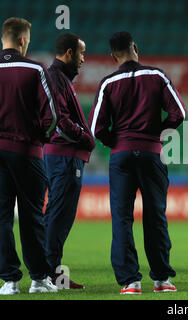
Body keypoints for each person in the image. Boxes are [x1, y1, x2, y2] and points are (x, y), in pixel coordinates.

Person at [89, 31, 185, 294]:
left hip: (121, 157)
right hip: (151, 154)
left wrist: (116, 142)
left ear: (113, 56)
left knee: (122, 218)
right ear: (135, 48)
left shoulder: (108, 82)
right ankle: (162, 279)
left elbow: (96, 127)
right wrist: (157, 133)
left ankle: (130, 282)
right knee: (155, 216)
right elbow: (179, 112)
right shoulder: (157, 75)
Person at [0, 17, 59, 295]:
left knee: (1, 218)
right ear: (23, 40)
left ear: (4, 38)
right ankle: (39, 279)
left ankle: (9, 281)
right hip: (27, 153)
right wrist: (40, 138)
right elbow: (52, 116)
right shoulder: (36, 68)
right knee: (32, 216)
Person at [43, 33, 95, 290]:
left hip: (62, 155)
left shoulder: (60, 78)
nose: (84, 59)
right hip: (64, 155)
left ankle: (49, 272)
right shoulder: (56, 78)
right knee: (59, 215)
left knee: (57, 214)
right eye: (82, 53)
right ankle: (49, 274)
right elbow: (60, 121)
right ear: (69, 53)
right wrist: (86, 138)